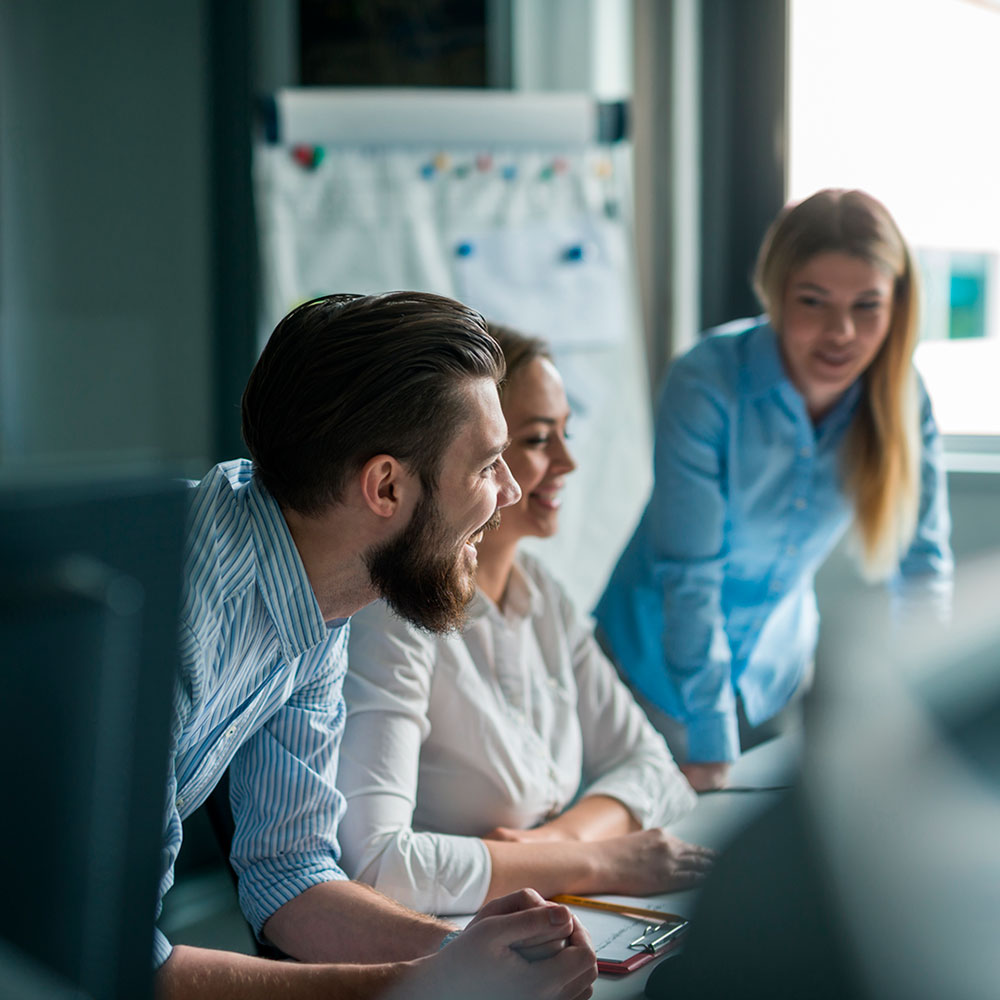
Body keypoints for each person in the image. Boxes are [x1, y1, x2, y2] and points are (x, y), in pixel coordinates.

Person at [156, 292, 598, 1000]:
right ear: (386, 485)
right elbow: (131, 965)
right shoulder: (174, 609)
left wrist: (477, 954)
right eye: (487, 464)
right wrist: (424, 986)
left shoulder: (321, 593)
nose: (511, 490)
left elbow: (290, 874)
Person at [337, 324, 713, 917]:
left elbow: (653, 768)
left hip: (546, 907)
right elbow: (378, 870)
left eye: (566, 432)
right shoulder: (393, 614)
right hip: (443, 938)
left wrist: (551, 845)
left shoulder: (541, 594)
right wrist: (601, 859)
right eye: (538, 439)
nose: (567, 461)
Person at [594, 188, 953, 792]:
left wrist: (933, 720)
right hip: (649, 676)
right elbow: (691, 575)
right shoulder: (707, 381)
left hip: (774, 677)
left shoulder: (902, 397)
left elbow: (923, 570)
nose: (841, 333)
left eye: (868, 306)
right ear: (776, 293)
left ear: (897, 307)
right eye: (814, 302)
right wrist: (710, 742)